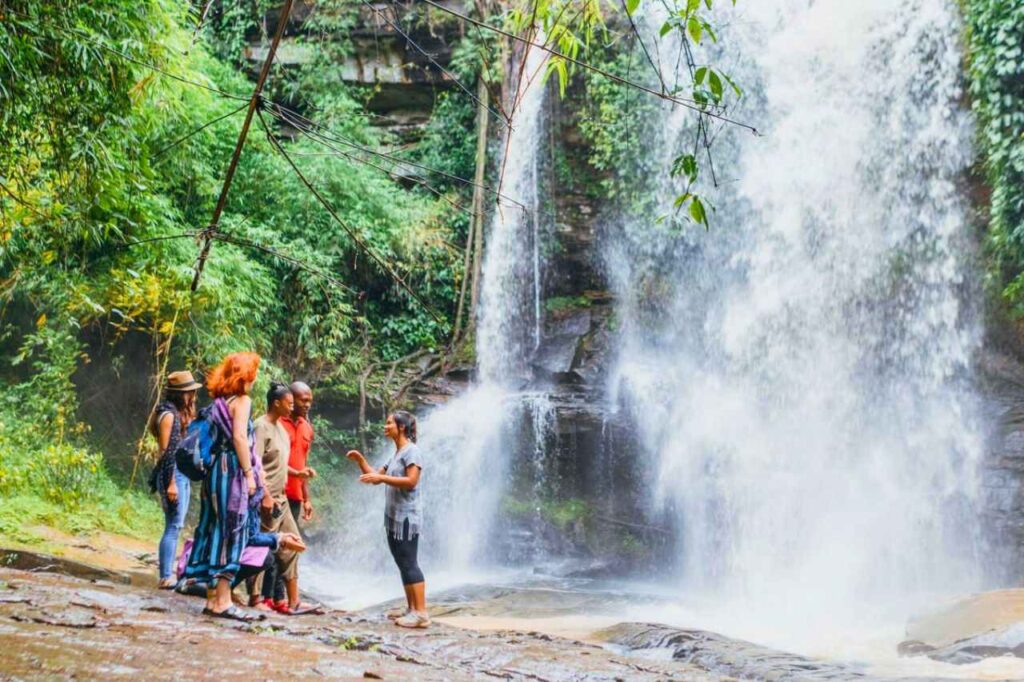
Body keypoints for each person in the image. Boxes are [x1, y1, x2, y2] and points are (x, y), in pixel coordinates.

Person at [184, 351, 261, 621]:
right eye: (253, 373)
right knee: (232, 529)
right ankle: (223, 601)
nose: (255, 378)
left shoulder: (219, 402)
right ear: (245, 376)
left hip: (215, 472)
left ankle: (211, 599)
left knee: (212, 527)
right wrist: (249, 474)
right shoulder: (242, 401)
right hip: (232, 471)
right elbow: (239, 437)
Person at [347, 410, 429, 628]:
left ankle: (421, 613)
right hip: (394, 517)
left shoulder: (412, 451)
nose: (385, 426)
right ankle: (411, 609)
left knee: (409, 562)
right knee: (402, 561)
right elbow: (375, 477)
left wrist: (382, 478)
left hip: (407, 517)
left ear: (401, 427)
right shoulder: (396, 454)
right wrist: (360, 460)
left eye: (389, 423)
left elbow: (411, 481)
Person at [253, 382, 314, 614]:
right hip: (265, 497)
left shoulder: (281, 429)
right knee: (262, 547)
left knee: (293, 543)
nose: (292, 407)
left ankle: (293, 601)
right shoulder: (260, 426)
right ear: (277, 403)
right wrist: (265, 495)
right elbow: (254, 464)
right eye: (289, 403)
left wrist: (298, 474)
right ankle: (256, 598)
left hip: (283, 498)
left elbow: (281, 464)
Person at [148, 370, 202, 589]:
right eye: (190, 392)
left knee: (176, 525)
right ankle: (165, 576)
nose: (193, 396)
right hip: (173, 473)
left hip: (181, 474)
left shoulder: (175, 413)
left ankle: (167, 574)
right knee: (173, 525)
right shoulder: (168, 415)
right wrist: (171, 483)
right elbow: (166, 452)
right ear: (181, 394)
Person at [282, 381, 316, 528]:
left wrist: (306, 499)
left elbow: (304, 465)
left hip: (295, 496)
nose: (307, 405)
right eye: (303, 400)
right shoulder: (276, 423)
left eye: (310, 401)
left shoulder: (307, 428)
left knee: (289, 538)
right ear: (290, 399)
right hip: (275, 493)